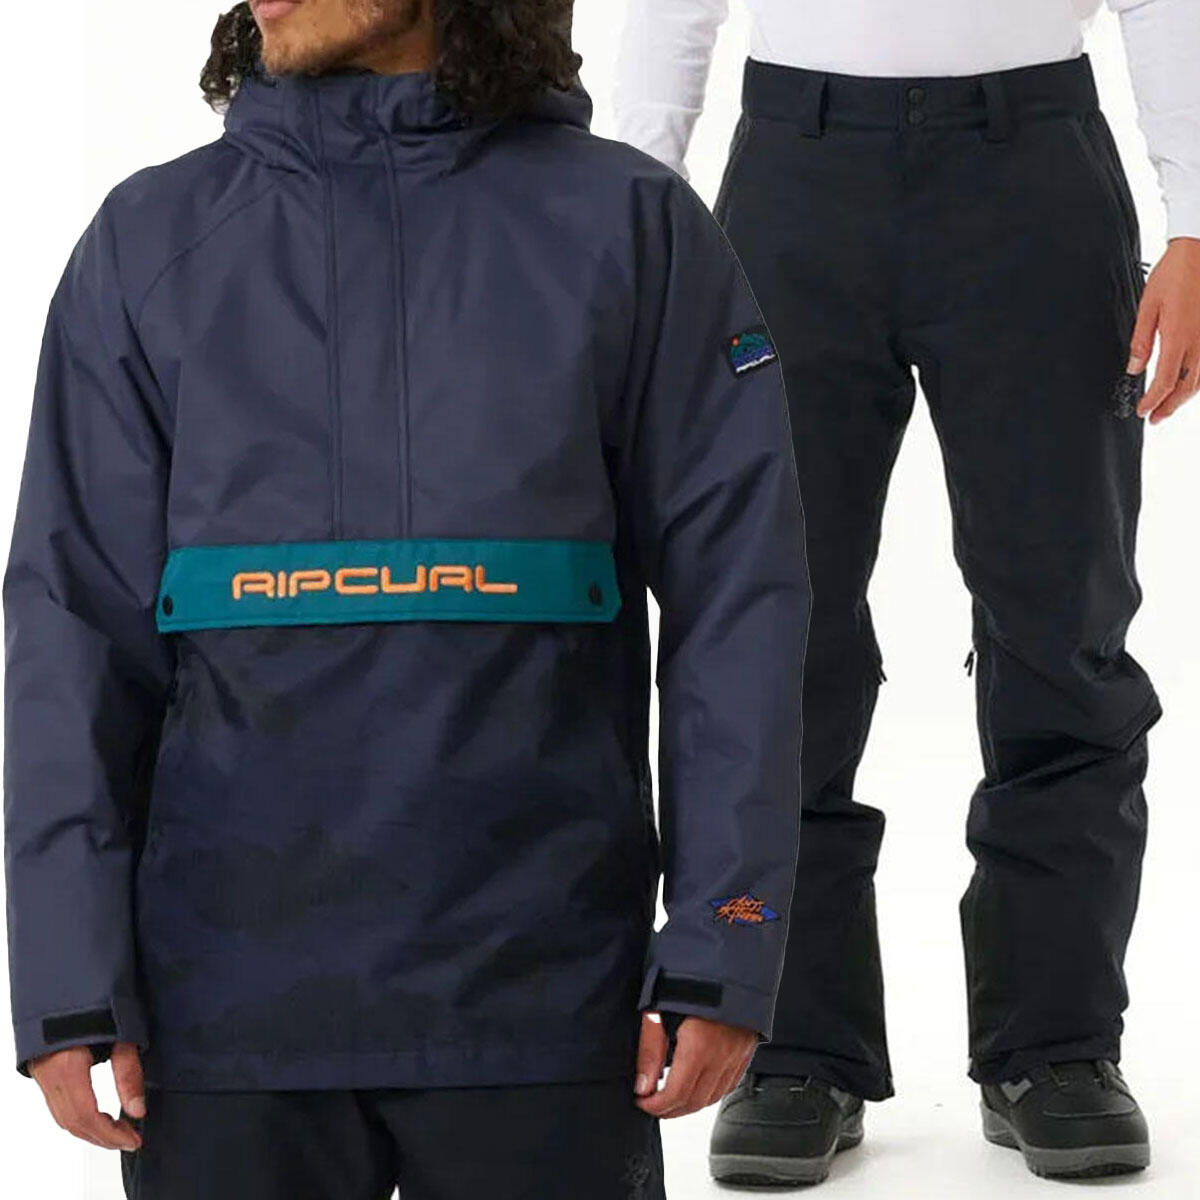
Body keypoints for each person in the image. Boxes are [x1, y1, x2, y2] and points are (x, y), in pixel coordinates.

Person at [3, 3, 810, 1197]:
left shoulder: (631, 226)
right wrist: (67, 974)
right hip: (220, 1021)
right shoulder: (148, 240)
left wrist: (723, 945)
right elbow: (72, 626)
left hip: (542, 1006)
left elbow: (740, 605)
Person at [616, 0, 1200, 1186]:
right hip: (795, 177)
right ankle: (792, 1045)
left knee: (1065, 624)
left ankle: (1058, 1043)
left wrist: (1197, 221)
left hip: (1036, 170)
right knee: (777, 631)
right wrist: (635, 212)